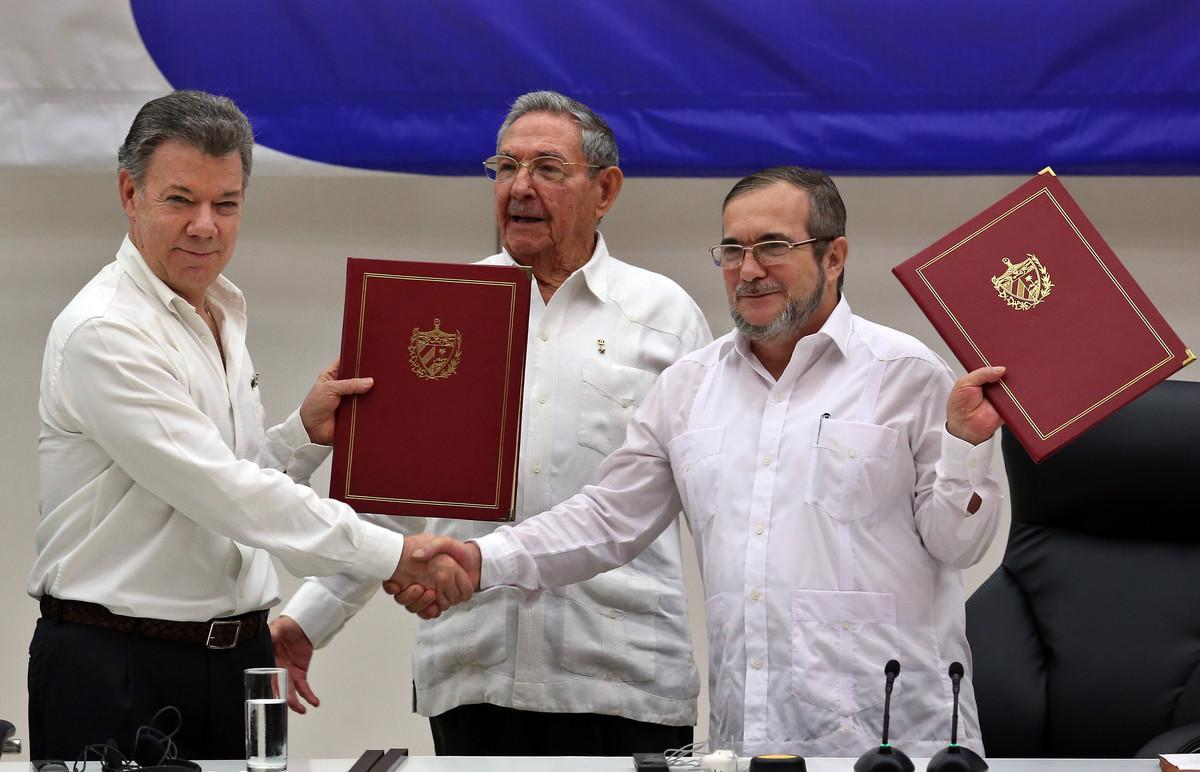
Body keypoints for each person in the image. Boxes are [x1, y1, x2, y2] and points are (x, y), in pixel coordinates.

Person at [403, 166, 1008, 758]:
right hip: (749, 739)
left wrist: (969, 446)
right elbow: (606, 519)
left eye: (772, 246)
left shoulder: (907, 374)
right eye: (732, 250)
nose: (749, 271)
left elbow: (959, 543)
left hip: (895, 740)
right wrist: (481, 559)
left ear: (834, 255)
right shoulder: (689, 387)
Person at [27, 90, 466, 763]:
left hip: (237, 662)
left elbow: (231, 484)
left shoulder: (221, 310)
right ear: (129, 193)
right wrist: (395, 555)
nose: (206, 225)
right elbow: (225, 492)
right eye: (181, 200)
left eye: (226, 204)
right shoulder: (107, 331)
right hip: (116, 668)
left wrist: (302, 435)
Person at [272, 90, 711, 756]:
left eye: (547, 168)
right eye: (505, 168)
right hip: (474, 673)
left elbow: (712, 501)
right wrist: (308, 621)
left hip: (624, 679)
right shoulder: (444, 315)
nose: (520, 187)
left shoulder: (665, 318)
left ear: (605, 189)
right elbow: (394, 503)